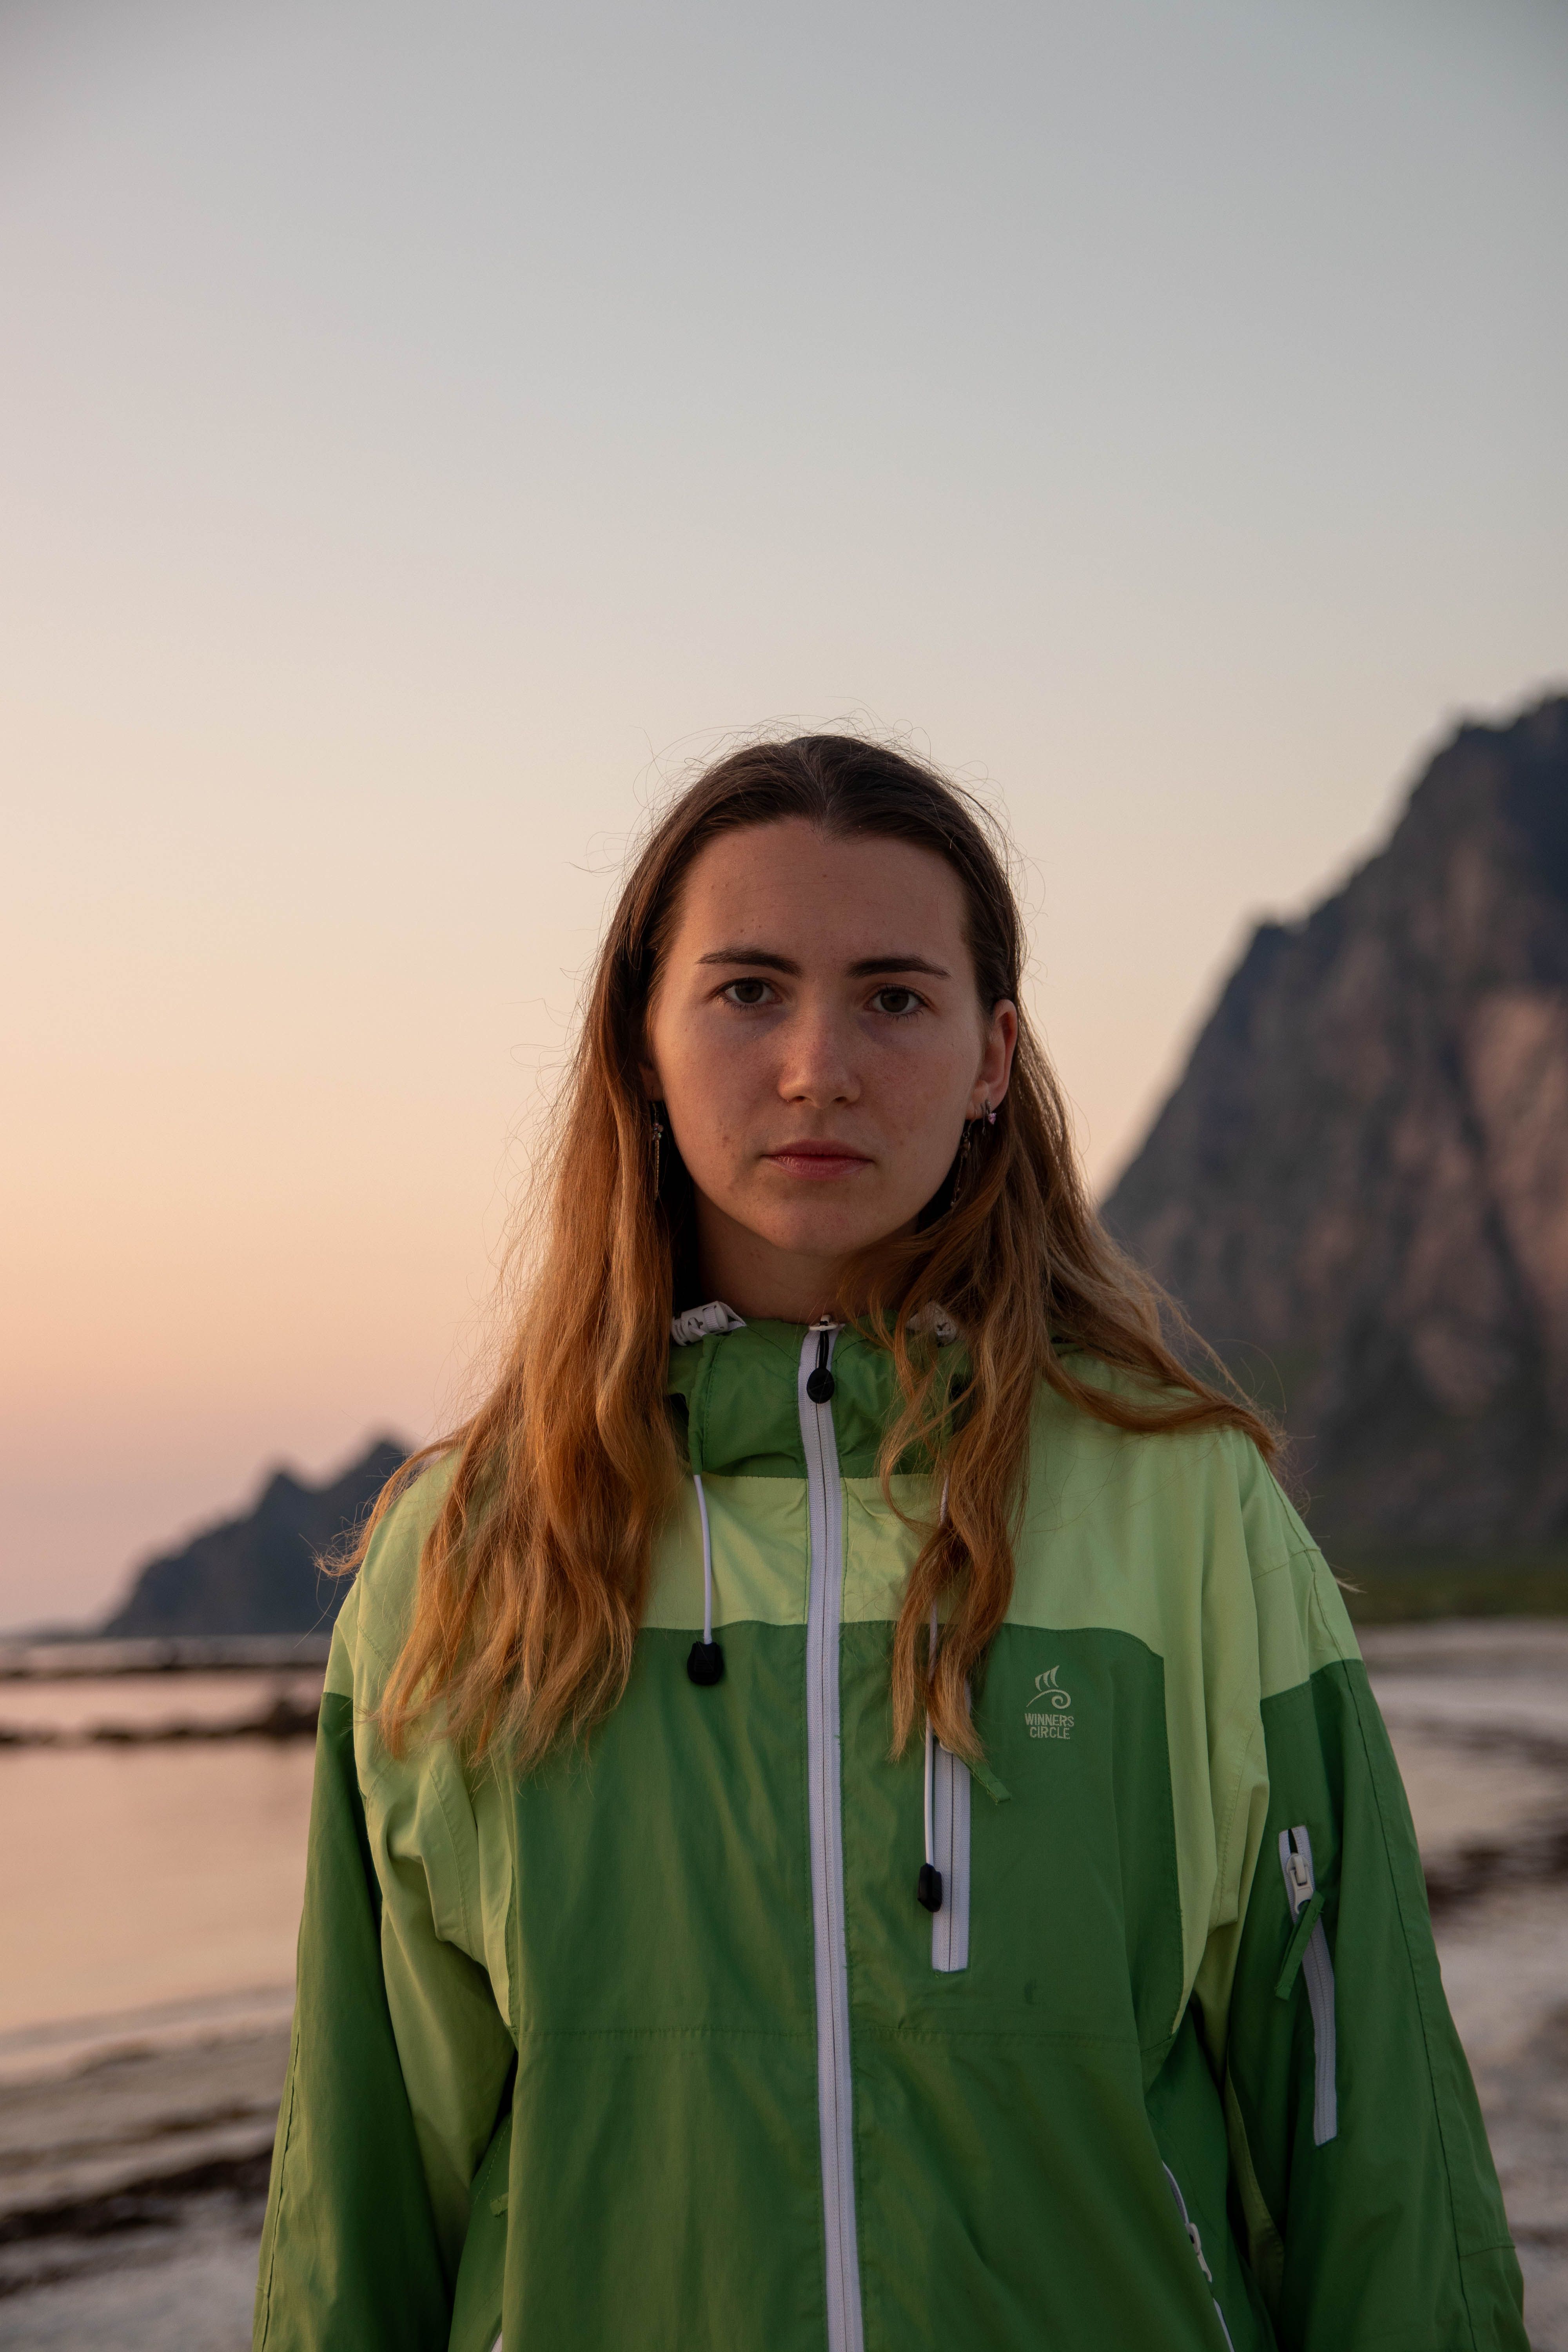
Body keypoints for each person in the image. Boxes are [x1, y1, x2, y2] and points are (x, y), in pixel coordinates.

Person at [253, 735, 1525, 2352]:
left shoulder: (1189, 1514)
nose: (817, 1068)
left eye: (893, 998)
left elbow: (1372, 2135)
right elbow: (360, 2190)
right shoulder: (468, 1556)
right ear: (641, 1041)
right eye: (747, 991)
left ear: (992, 1057)